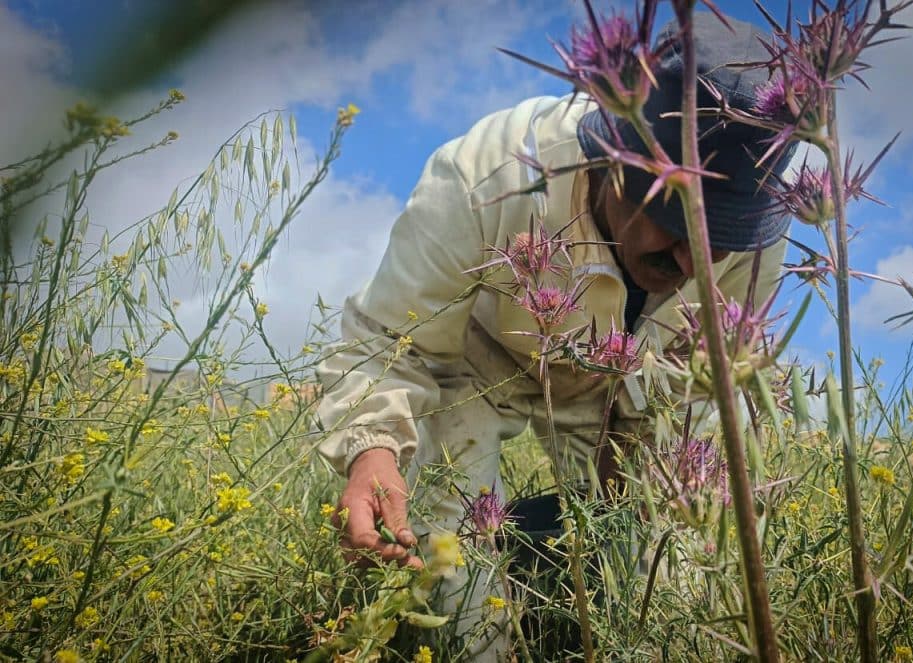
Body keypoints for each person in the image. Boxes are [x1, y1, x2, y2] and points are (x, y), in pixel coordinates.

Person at [315, 11, 795, 660]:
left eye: (719, 237)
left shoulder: (756, 242)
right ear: (611, 159)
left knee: (671, 574)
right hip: (479, 374)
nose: (690, 263)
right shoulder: (489, 175)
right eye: (672, 222)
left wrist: (631, 507)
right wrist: (371, 449)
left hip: (628, 394)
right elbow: (384, 338)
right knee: (460, 589)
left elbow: (699, 393)